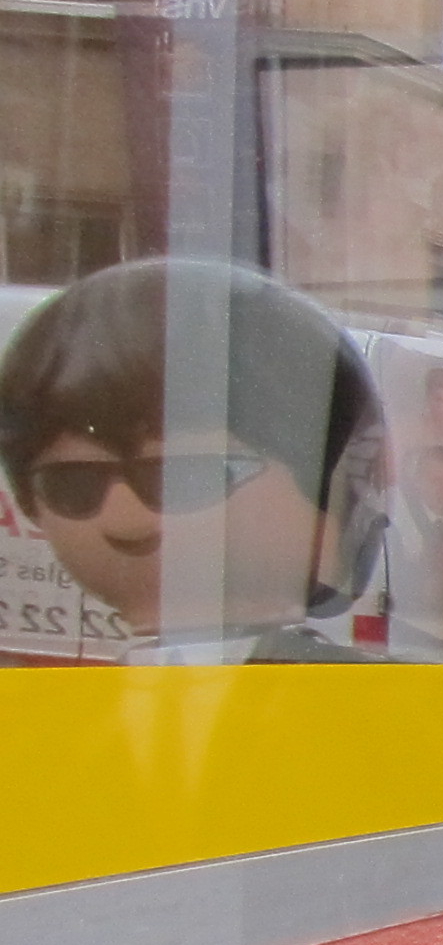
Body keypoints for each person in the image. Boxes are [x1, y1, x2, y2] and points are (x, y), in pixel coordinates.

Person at [0, 258, 388, 661]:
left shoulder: (363, 689)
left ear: (326, 481)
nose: (124, 519)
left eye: (184, 479)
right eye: (73, 485)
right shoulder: (74, 698)